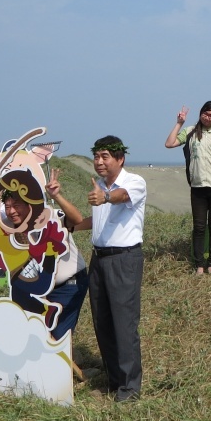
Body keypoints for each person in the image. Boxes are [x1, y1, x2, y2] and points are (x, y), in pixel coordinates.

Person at [47, 137, 146, 402]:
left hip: (124, 260)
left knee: (124, 324)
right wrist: (57, 197)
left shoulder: (133, 182)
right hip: (99, 260)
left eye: (105, 157)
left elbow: (120, 197)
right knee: (103, 322)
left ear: (119, 158)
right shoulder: (99, 186)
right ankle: (114, 381)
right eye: (97, 157)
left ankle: (129, 389)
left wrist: (105, 197)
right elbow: (84, 221)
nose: (99, 162)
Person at [0, 166, 88, 340]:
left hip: (69, 285)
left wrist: (56, 196)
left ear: (29, 203)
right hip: (39, 290)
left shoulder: (49, 216)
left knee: (58, 336)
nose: (11, 211)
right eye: (7, 206)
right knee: (38, 334)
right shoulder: (9, 224)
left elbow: (76, 219)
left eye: (16, 205)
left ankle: (64, 364)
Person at [164, 102, 211, 274]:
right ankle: (199, 264)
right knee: (199, 226)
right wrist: (179, 122)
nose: (207, 118)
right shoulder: (190, 132)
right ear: (201, 113)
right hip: (197, 186)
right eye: (205, 114)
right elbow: (169, 143)